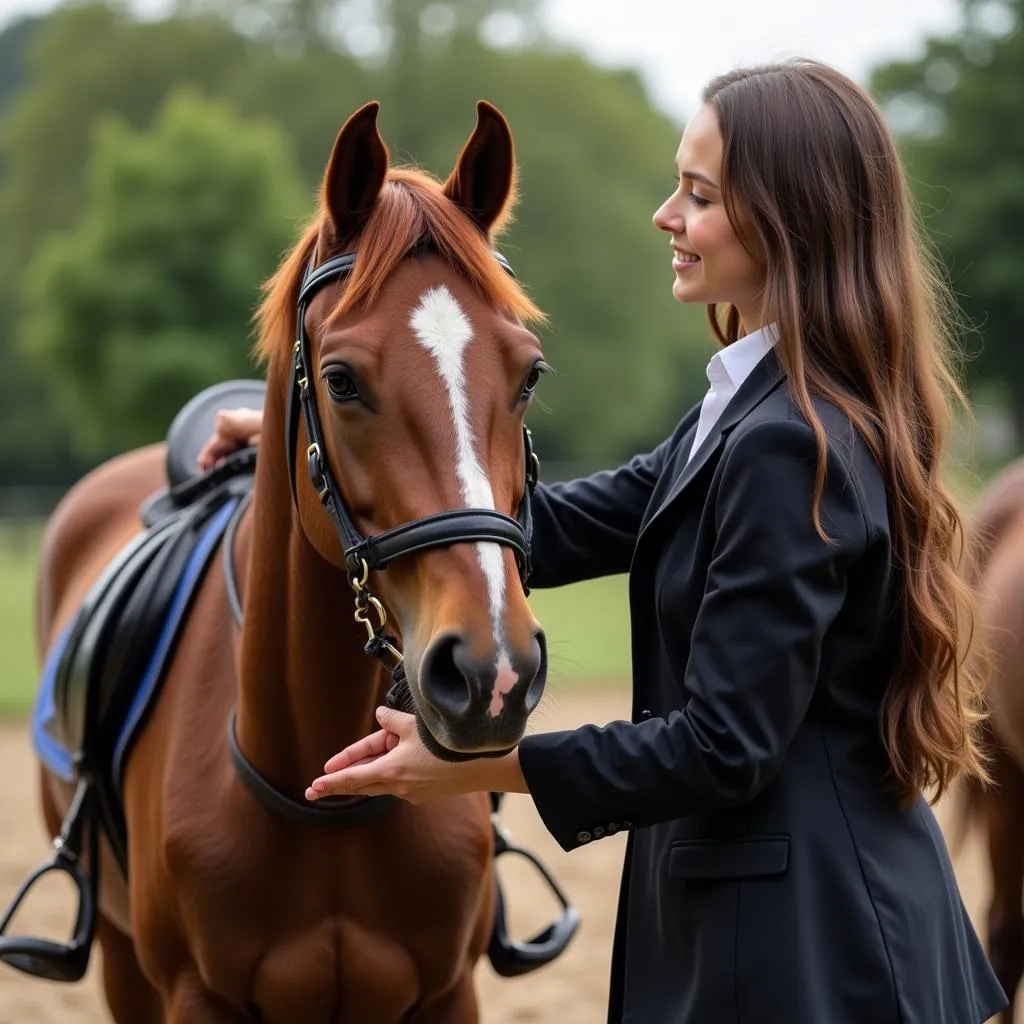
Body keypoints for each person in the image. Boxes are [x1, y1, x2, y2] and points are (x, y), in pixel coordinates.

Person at [204, 60, 1006, 1023]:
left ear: (787, 221)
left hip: (812, 956)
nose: (665, 215)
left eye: (698, 195)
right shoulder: (757, 409)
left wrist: (478, 768)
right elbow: (552, 522)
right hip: (786, 935)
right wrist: (341, 445)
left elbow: (724, 747)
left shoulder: (789, 440)